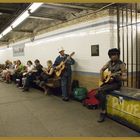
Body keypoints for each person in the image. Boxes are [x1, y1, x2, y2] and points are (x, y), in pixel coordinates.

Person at [96, 48, 127, 123]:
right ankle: (104, 106)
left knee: (101, 90)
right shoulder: (109, 62)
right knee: (98, 91)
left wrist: (117, 76)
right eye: (112, 55)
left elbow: (125, 78)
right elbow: (102, 70)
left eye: (116, 55)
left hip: (116, 83)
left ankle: (103, 112)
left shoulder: (122, 65)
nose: (114, 56)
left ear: (118, 55)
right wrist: (102, 78)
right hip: (109, 82)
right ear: (110, 56)